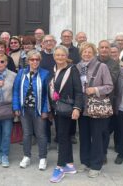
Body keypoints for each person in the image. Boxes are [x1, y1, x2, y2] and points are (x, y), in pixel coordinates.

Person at [76, 42, 113, 178]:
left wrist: (95, 89)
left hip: (96, 107)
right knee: (84, 136)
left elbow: (109, 86)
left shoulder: (101, 66)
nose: (86, 54)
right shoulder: (77, 67)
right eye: (84, 52)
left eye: (89, 52)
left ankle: (96, 165)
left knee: (97, 137)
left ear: (94, 53)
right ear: (81, 53)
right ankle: (85, 161)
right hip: (82, 108)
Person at [48, 46, 83, 183]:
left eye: (62, 55)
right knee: (64, 136)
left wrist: (77, 108)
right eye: (57, 55)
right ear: (54, 56)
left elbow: (79, 91)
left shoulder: (72, 70)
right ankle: (69, 164)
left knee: (62, 137)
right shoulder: (54, 70)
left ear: (66, 56)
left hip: (68, 109)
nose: (60, 57)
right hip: (57, 108)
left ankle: (59, 167)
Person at [13, 50, 50, 170]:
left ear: (40, 61)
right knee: (27, 134)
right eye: (32, 59)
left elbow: (47, 95)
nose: (34, 62)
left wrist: (45, 110)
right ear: (28, 61)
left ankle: (43, 158)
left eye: (37, 59)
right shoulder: (22, 73)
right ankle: (26, 156)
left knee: (41, 134)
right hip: (25, 109)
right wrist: (16, 107)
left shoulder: (45, 73)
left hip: (38, 109)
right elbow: (16, 91)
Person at [97, 40, 121, 162]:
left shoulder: (114, 64)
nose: (104, 49)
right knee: (94, 131)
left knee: (104, 130)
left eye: (107, 47)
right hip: (92, 101)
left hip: (107, 101)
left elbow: (110, 81)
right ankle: (95, 152)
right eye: (102, 47)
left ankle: (103, 153)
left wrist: (96, 83)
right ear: (98, 49)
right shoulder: (93, 61)